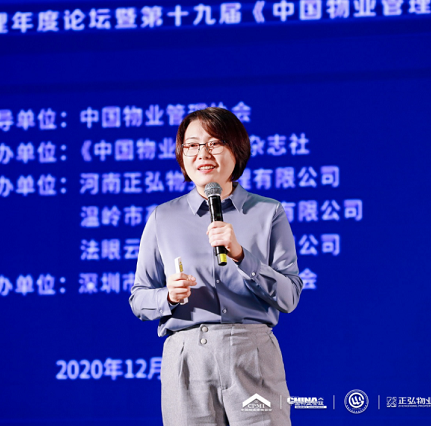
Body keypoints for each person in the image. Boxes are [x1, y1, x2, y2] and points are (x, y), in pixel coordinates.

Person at [129, 107, 303, 426]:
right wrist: (168, 296)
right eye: (192, 145)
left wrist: (241, 256)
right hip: (187, 356)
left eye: (214, 143)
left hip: (251, 353)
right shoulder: (163, 217)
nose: (202, 154)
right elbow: (139, 299)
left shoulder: (268, 212)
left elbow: (289, 296)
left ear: (237, 149)